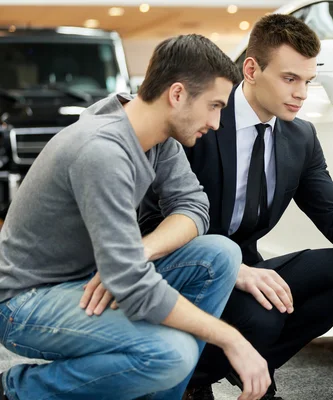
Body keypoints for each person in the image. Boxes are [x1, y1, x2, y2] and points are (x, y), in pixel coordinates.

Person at [140, 15, 333, 400]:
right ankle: (196, 375)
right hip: (189, 273)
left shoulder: (300, 137)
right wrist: (230, 269)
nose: (302, 93)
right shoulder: (203, 119)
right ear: (252, 69)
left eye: (308, 81)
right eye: (290, 79)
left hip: (251, 268)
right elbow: (152, 221)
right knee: (265, 314)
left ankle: (223, 367)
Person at [0, 34, 272, 400]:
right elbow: (131, 282)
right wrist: (230, 338)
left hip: (89, 281)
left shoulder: (159, 141)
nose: (217, 122)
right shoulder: (101, 151)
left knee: (220, 253)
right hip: (24, 301)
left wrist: (139, 252)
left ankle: (162, 395)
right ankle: (15, 391)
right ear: (177, 94)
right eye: (214, 105)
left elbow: (194, 207)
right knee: (172, 353)